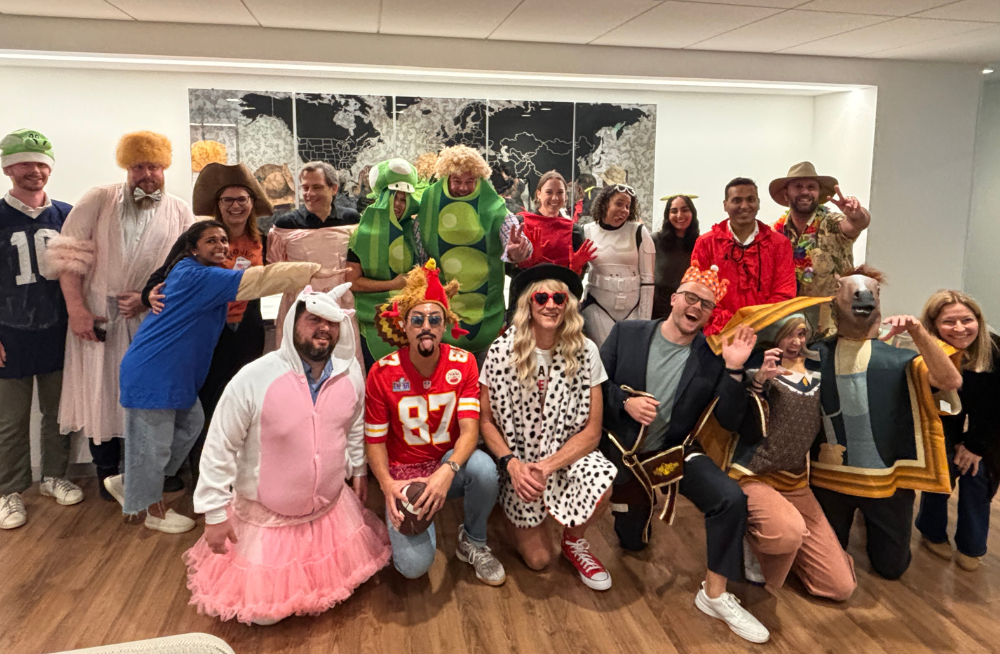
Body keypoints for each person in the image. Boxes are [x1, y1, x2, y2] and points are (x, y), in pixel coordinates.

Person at [107, 221, 335, 533]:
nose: (221, 246)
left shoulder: (197, 273)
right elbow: (258, 279)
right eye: (211, 240)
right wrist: (309, 269)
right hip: (154, 372)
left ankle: (131, 481)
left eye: (224, 240)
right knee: (153, 445)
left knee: (191, 426)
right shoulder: (195, 274)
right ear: (192, 248)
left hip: (177, 374)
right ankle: (151, 509)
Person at [185, 285, 391, 626]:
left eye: (331, 322)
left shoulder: (350, 372)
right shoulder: (253, 379)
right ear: (294, 322)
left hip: (330, 508)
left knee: (345, 583)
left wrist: (359, 470)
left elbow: (354, 425)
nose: (323, 328)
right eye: (313, 319)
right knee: (264, 615)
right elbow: (219, 446)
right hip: (269, 514)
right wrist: (213, 513)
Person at [600, 261, 769, 644]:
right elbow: (595, 389)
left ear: (710, 315)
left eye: (706, 304)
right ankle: (626, 515)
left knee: (729, 498)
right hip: (620, 452)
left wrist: (735, 369)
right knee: (632, 543)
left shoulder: (711, 360)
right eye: (691, 298)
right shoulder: (627, 334)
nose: (696, 307)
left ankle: (715, 593)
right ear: (674, 299)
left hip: (673, 455)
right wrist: (624, 402)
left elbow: (731, 420)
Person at [45, 131, 195, 500]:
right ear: (127, 168)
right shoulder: (98, 199)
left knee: (146, 397)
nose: (147, 174)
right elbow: (68, 258)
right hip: (100, 316)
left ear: (165, 168)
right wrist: (77, 310)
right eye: (139, 166)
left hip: (152, 318)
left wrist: (146, 298)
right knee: (102, 394)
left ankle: (139, 476)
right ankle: (106, 475)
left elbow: (187, 268)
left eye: (154, 166)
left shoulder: (179, 209)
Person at [809, 266, 961, 580]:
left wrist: (918, 332)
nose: (861, 299)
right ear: (834, 299)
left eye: (870, 295)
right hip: (828, 478)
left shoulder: (899, 358)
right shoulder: (814, 355)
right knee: (827, 563)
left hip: (885, 482)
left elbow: (950, 379)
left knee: (892, 567)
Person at [364, 260, 506, 585]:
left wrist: (447, 471)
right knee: (414, 568)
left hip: (446, 466)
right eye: (417, 319)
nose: (426, 326)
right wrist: (387, 485)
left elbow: (470, 431)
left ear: (444, 326)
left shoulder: (465, 363)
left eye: (434, 319)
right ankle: (411, 523)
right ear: (404, 325)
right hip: (405, 475)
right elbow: (374, 442)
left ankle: (473, 539)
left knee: (484, 470)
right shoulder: (382, 372)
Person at [480, 265, 616, 590]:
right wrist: (513, 466)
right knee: (539, 561)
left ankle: (573, 541)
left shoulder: (586, 352)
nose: (551, 304)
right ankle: (510, 504)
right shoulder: (501, 352)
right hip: (518, 463)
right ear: (528, 302)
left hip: (562, 458)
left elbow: (593, 431)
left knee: (604, 483)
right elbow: (485, 420)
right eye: (542, 297)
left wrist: (548, 466)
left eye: (559, 297)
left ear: (568, 304)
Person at [141, 162, 272, 489]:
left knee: (243, 402)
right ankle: (205, 478)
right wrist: (148, 295)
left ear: (252, 203)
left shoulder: (264, 240)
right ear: (217, 206)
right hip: (205, 335)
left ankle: (239, 475)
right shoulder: (197, 239)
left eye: (242, 199)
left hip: (246, 332)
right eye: (227, 200)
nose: (236, 206)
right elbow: (162, 277)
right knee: (206, 404)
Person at [731, 314, 856, 601]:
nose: (796, 341)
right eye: (788, 334)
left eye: (801, 334)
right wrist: (759, 381)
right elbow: (740, 416)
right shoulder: (757, 366)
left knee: (841, 588)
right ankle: (753, 538)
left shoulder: (817, 366)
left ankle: (788, 552)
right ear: (776, 335)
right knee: (787, 532)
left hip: (796, 481)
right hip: (753, 474)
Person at [0, 129, 82, 529]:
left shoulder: (66, 214)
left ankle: (55, 475)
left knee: (58, 412)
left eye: (42, 163)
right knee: (10, 419)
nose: (35, 170)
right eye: (26, 163)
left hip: (58, 330)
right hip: (10, 332)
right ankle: (8, 490)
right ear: (8, 168)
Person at [409, 144, 533, 357]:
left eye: (470, 181)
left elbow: (516, 239)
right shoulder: (429, 204)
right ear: (446, 178)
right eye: (457, 181)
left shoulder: (493, 206)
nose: (463, 188)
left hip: (487, 312)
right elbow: (420, 255)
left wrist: (517, 251)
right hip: (441, 312)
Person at [915, 290, 1000, 572]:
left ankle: (972, 546)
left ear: (978, 319)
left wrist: (975, 446)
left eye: (967, 319)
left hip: (989, 428)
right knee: (942, 470)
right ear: (934, 325)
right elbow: (932, 406)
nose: (960, 328)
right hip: (943, 422)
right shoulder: (924, 354)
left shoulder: (996, 351)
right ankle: (932, 531)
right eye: (950, 322)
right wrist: (950, 446)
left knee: (978, 476)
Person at [267, 161, 360, 345]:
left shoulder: (352, 220)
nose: (309, 194)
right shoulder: (285, 225)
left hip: (341, 304)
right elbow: (274, 269)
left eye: (317, 187)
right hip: (300, 305)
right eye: (305, 188)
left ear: (334, 188)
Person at [770, 162, 871, 332]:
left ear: (819, 193)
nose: (805, 192)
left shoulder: (832, 224)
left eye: (811, 187)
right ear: (786, 194)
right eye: (798, 186)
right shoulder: (775, 233)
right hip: (789, 326)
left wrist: (857, 214)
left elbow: (858, 223)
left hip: (833, 326)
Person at [691, 177, 795, 336]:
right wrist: (731, 324)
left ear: (758, 203)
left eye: (750, 199)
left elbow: (784, 292)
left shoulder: (780, 244)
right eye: (737, 200)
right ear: (725, 205)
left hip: (767, 334)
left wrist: (756, 323)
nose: (744, 206)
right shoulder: (706, 243)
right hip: (718, 333)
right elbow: (699, 291)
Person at [346, 158, 418, 369]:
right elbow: (352, 282)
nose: (398, 204)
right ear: (382, 197)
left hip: (411, 324)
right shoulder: (362, 234)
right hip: (373, 325)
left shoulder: (413, 232)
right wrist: (393, 284)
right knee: (379, 384)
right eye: (394, 197)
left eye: (404, 200)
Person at [581, 183, 654, 348]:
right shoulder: (586, 231)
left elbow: (648, 281)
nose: (624, 210)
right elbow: (577, 270)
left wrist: (644, 323)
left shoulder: (639, 232)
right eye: (619, 203)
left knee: (629, 359)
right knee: (604, 357)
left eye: (628, 206)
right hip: (598, 306)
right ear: (605, 203)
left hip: (633, 309)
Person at [514, 171, 595, 274]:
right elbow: (508, 267)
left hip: (561, 289)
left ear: (566, 196)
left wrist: (575, 268)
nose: (555, 198)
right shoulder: (521, 223)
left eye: (560, 192)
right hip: (528, 288)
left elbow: (577, 277)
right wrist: (526, 261)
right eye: (549, 192)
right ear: (539, 194)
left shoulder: (573, 231)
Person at [652, 194, 700, 319]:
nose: (680, 215)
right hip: (657, 309)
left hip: (689, 309)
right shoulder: (654, 241)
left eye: (685, 210)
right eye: (674, 211)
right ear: (667, 215)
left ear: (692, 213)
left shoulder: (701, 244)